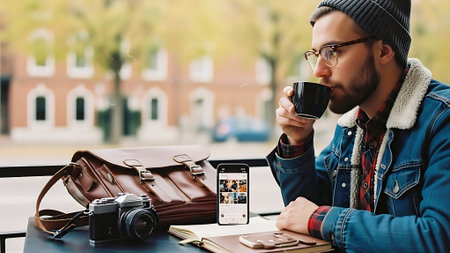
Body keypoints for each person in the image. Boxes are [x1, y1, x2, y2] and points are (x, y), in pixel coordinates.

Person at [266, 0, 450, 252]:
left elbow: (438, 237)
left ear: (384, 51)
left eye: (332, 51)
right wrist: (297, 140)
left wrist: (323, 220)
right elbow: (304, 208)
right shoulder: (351, 126)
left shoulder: (442, 120)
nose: (319, 70)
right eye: (316, 54)